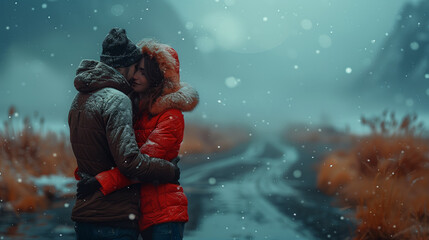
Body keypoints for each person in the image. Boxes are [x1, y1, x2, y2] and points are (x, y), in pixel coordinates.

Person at [77, 39, 199, 240]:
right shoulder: (135, 111)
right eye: (136, 69)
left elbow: (138, 165)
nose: (136, 76)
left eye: (144, 72)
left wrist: (100, 181)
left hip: (163, 214)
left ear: (158, 77)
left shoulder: (170, 116)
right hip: (138, 212)